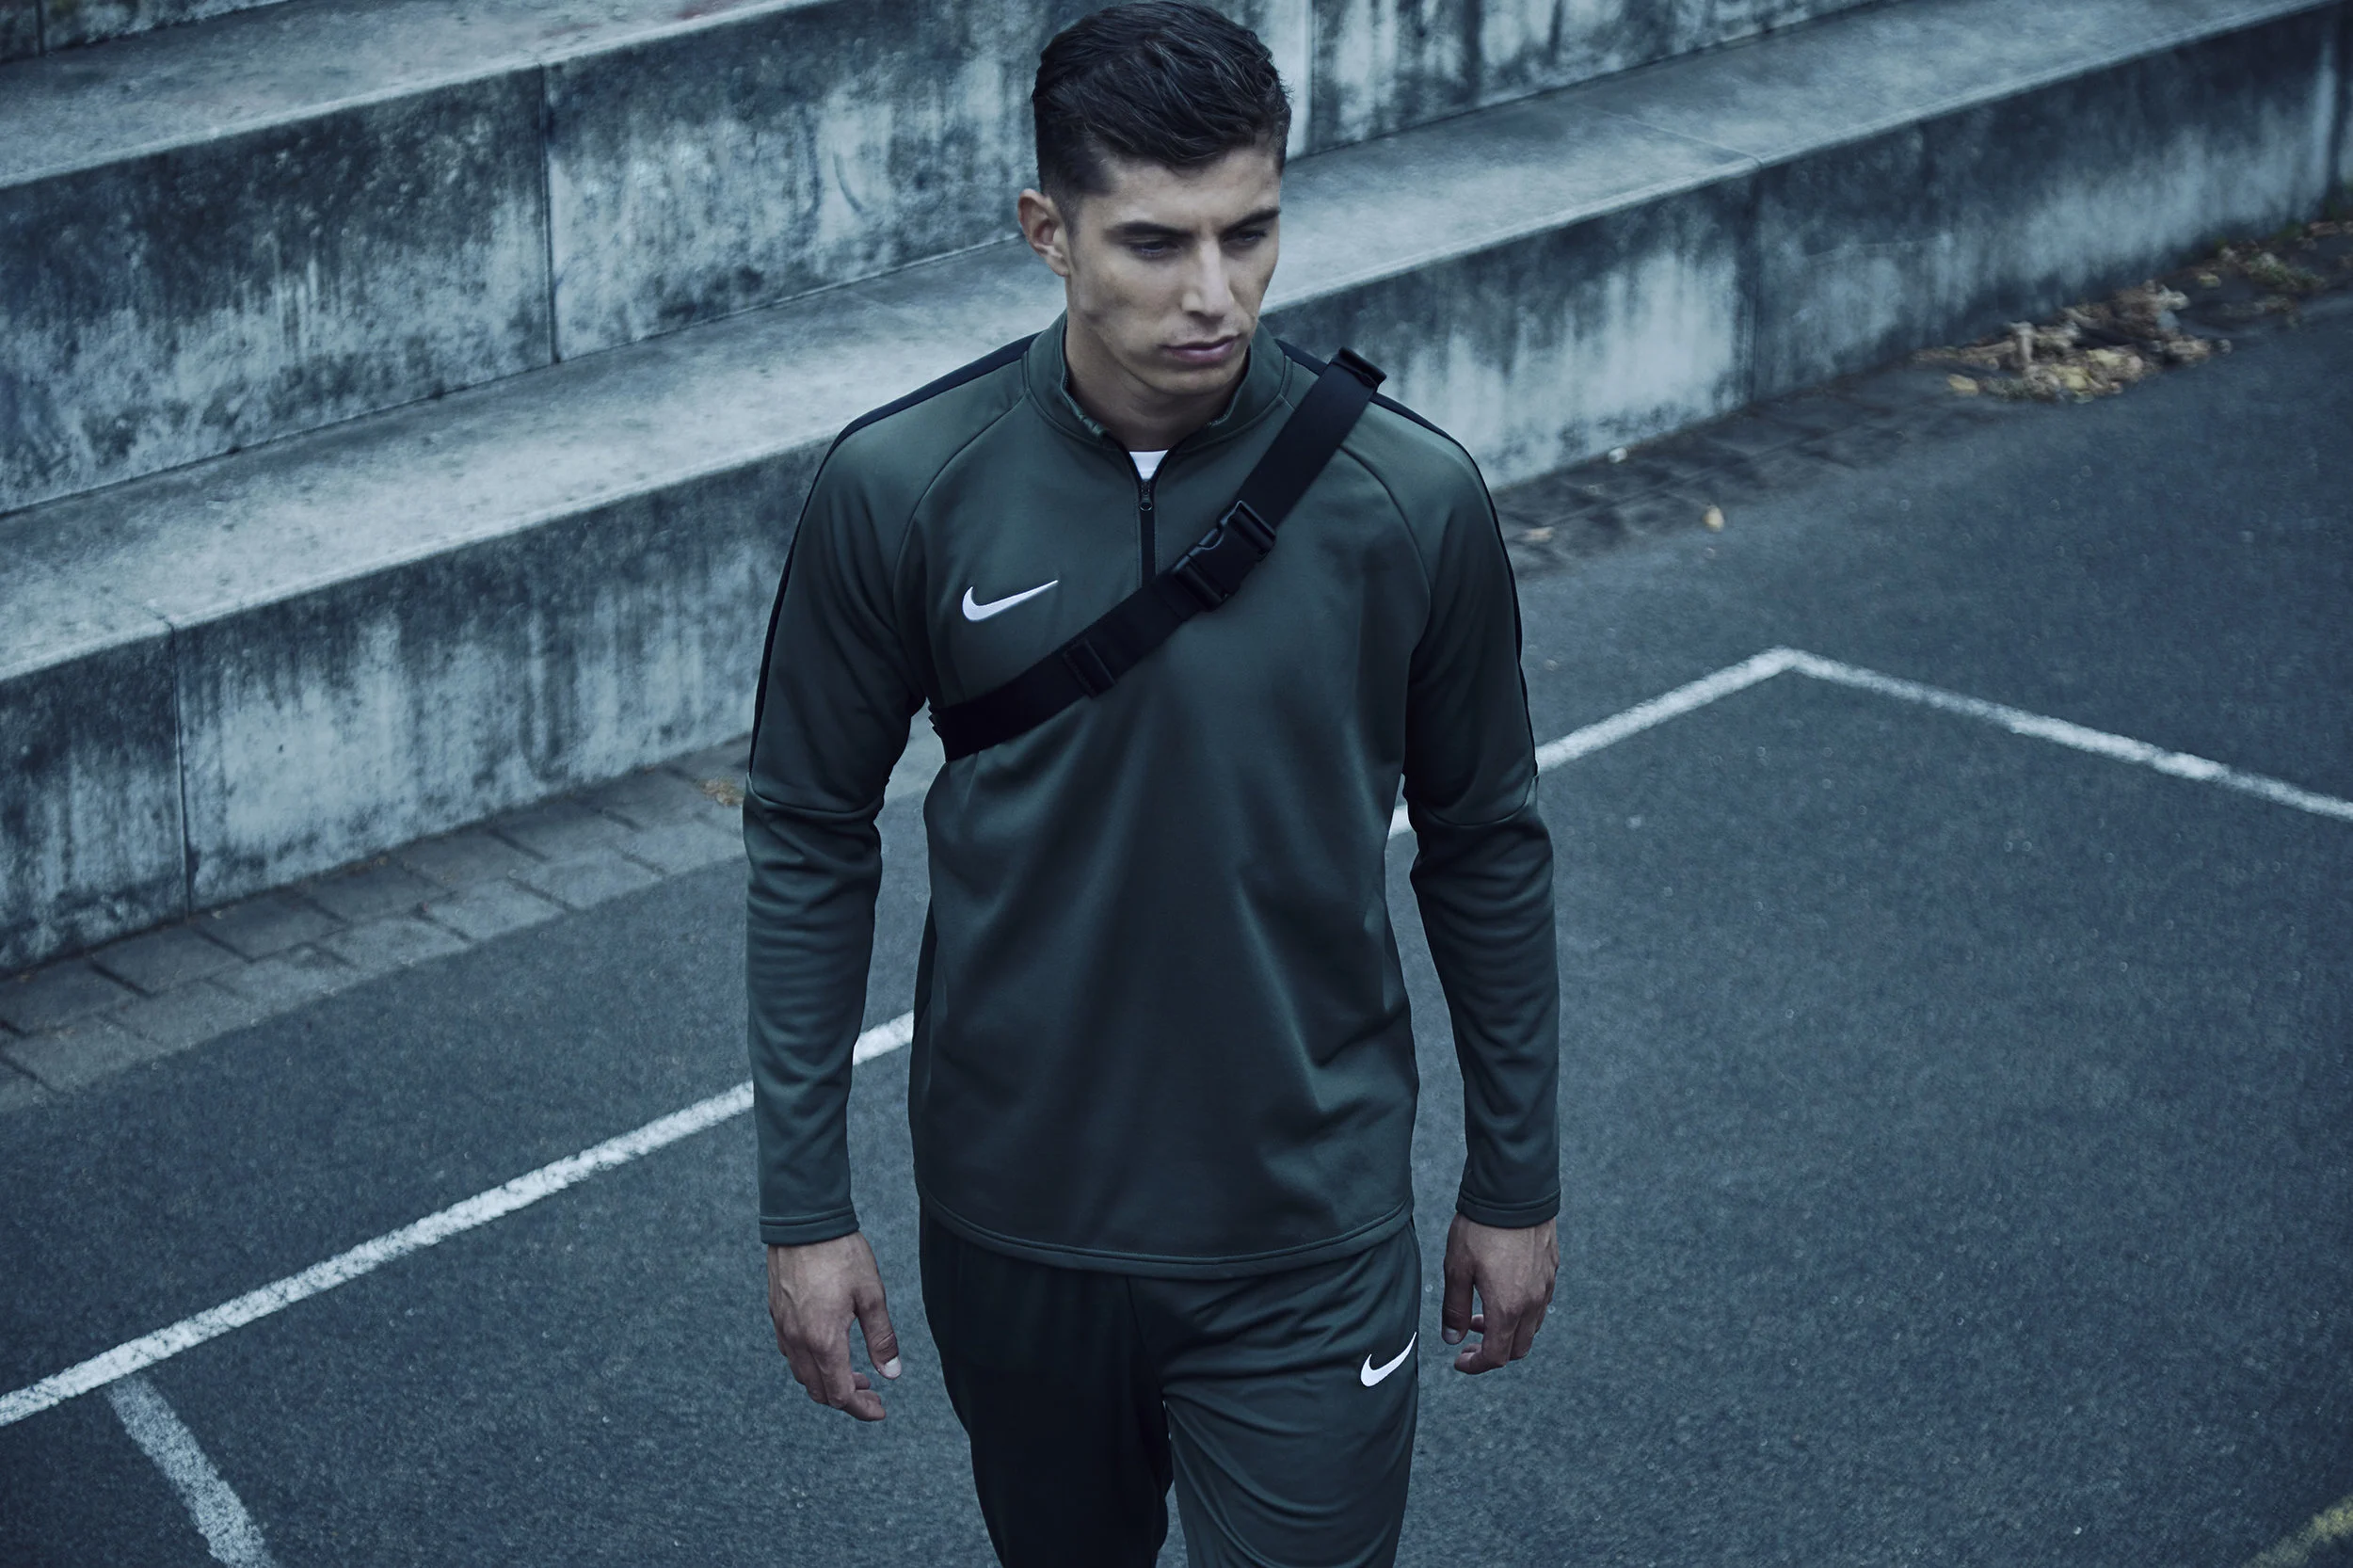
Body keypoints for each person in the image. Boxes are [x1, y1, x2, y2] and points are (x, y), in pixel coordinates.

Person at [744, 5, 1560, 1561]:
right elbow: (805, 831)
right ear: (1046, 231)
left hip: (1305, 1227)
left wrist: (1516, 1177)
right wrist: (806, 1207)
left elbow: (1486, 844)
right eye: (1155, 241)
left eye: (1250, 232)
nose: (1215, 293)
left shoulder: (1411, 498)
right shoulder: (902, 487)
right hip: (1016, 1227)